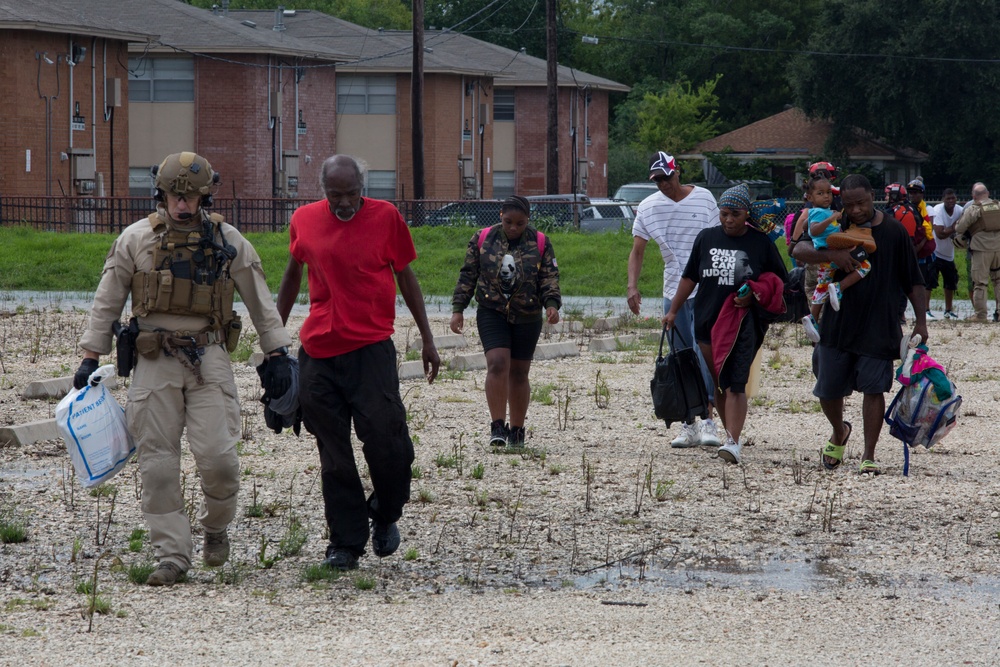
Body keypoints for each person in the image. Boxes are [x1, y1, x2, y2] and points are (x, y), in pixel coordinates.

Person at [73, 151, 294, 586]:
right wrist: (89, 355)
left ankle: (215, 527)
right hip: (154, 360)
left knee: (220, 458)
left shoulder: (228, 241)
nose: (182, 205)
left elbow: (260, 300)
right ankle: (171, 556)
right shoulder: (135, 240)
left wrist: (278, 353)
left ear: (205, 196)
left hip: (208, 357)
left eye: (191, 197)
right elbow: (107, 300)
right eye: (175, 195)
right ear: (162, 194)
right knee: (157, 463)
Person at [276, 154, 440, 572]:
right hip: (319, 353)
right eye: (336, 195)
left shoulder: (386, 218)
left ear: (363, 187)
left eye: (352, 193)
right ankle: (345, 542)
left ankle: (385, 512)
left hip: (370, 350)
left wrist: (426, 337)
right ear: (324, 191)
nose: (345, 202)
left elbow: (406, 277)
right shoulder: (304, 220)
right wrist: (273, 338)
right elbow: (293, 275)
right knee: (334, 453)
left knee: (389, 445)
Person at [792, 174, 927, 475]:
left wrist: (921, 322)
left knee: (874, 388)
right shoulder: (835, 223)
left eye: (861, 204)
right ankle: (839, 431)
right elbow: (797, 251)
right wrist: (833, 255)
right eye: (849, 204)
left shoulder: (893, 231)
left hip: (881, 323)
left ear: (872, 196)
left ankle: (869, 454)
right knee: (827, 389)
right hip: (838, 323)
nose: (855, 211)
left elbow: (913, 281)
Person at [663, 183, 788, 464]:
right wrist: (673, 311)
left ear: (746, 214)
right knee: (720, 382)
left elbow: (778, 282)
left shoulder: (760, 243)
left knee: (736, 382)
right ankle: (730, 433)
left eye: (734, 214)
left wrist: (753, 296)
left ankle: (732, 441)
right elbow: (689, 278)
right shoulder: (706, 238)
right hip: (707, 322)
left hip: (743, 323)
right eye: (724, 214)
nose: (728, 220)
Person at [627, 151, 723, 449]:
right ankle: (688, 422)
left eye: (667, 177)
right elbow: (638, 250)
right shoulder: (648, 207)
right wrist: (632, 285)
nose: (663, 184)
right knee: (680, 356)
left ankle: (708, 418)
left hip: (707, 287)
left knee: (705, 353)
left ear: (677, 172)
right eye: (657, 180)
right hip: (673, 290)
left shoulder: (704, 197)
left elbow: (718, 237)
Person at [450, 195, 561, 448]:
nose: (514, 228)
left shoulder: (540, 241)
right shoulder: (482, 239)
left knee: (520, 372)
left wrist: (552, 304)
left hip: (527, 314)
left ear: (528, 221)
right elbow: (468, 275)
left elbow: (549, 277)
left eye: (520, 223)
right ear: (500, 215)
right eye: (509, 221)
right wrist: (458, 309)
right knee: (498, 364)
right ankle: (497, 426)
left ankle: (518, 430)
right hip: (492, 310)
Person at [800, 176, 874, 342]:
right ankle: (840, 287)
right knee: (865, 266)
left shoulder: (815, 212)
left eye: (828, 192)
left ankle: (813, 317)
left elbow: (807, 227)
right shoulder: (820, 212)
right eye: (820, 193)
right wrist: (830, 219)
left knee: (821, 286)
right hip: (834, 250)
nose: (826, 196)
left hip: (827, 257)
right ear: (810, 198)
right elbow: (815, 230)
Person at [954, 182, 1000, 322]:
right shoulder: (998, 205)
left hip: (981, 249)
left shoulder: (974, 209)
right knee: (998, 281)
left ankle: (980, 315)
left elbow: (960, 228)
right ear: (988, 193)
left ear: (974, 196)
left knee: (980, 283)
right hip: (998, 248)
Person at [907, 178, 939, 319]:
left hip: (923, 250)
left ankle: (925, 309)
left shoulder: (927, 209)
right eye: (911, 192)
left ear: (922, 194)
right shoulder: (906, 209)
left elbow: (928, 229)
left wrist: (920, 246)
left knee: (924, 281)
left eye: (916, 192)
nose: (913, 195)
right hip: (910, 249)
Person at [931, 188, 963, 319]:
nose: (951, 201)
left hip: (949, 253)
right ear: (943, 199)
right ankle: (926, 310)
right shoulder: (937, 210)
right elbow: (940, 234)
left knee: (950, 282)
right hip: (935, 251)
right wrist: (956, 226)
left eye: (953, 198)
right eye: (948, 198)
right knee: (929, 282)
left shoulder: (960, 210)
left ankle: (948, 310)